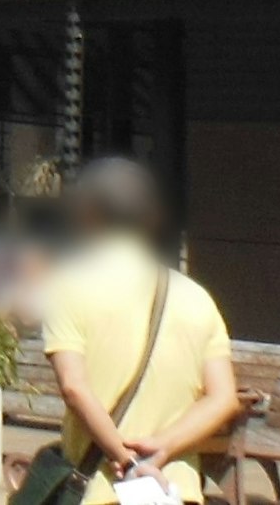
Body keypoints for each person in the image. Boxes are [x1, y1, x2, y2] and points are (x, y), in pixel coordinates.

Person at [36, 155, 244, 505]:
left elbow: (74, 387)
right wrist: (164, 447)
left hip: (97, 489)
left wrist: (126, 458)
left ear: (87, 214)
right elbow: (224, 398)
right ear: (153, 218)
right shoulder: (196, 298)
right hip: (172, 491)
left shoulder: (67, 287)